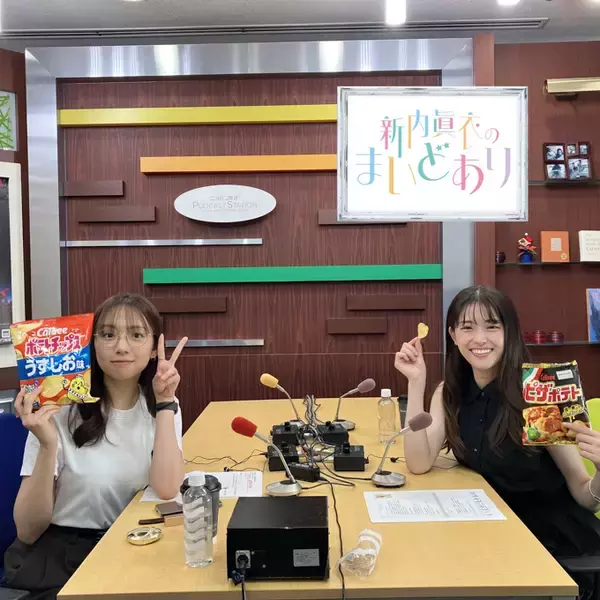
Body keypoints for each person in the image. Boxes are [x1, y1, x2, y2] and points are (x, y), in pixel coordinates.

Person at [394, 285, 600, 600]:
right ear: (453, 335)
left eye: (492, 326)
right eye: (467, 327)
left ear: (509, 332)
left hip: (551, 546)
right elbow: (419, 463)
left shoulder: (539, 394)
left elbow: (585, 495)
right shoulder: (450, 392)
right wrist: (416, 382)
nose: (480, 339)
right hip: (488, 537)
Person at [2, 293, 187, 600]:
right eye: (108, 335)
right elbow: (28, 531)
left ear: (155, 348)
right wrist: (47, 445)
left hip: (136, 546)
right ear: (92, 342)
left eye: (136, 335)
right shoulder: (57, 409)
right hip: (67, 558)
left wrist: (166, 403)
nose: (122, 347)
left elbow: (167, 488)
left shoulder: (162, 404)